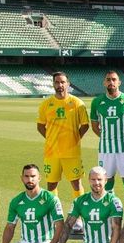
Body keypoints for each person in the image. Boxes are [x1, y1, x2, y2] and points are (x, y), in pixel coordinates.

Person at [37, 71, 89, 199]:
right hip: (52, 152)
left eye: (62, 82)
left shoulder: (77, 103)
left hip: (71, 152)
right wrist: (50, 138)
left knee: (76, 183)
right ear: (53, 84)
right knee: (51, 184)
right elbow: (40, 126)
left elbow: (85, 125)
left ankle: (79, 210)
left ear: (68, 84)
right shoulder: (46, 104)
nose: (60, 85)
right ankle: (54, 210)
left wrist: (75, 138)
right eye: (57, 82)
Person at [89, 70, 124, 203]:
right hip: (105, 150)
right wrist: (106, 138)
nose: (111, 82)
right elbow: (95, 126)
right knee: (107, 180)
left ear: (119, 82)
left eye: (114, 79)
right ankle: (111, 210)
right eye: (108, 79)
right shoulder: (97, 102)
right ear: (104, 83)